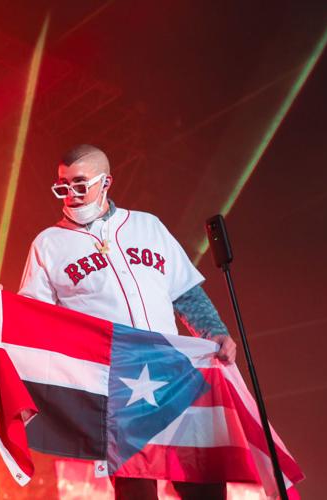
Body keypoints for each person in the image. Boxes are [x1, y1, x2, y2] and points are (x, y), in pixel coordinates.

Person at [18, 144, 237, 500]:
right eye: (62, 186)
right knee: (136, 487)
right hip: (114, 384)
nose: (71, 195)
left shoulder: (148, 226)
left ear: (106, 182)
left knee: (202, 480)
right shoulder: (49, 244)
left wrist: (215, 332)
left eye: (80, 184)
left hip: (174, 372)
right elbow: (35, 322)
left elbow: (184, 293)